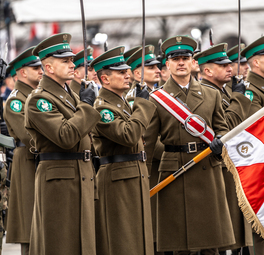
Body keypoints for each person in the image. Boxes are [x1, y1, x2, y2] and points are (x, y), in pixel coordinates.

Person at [144, 35, 235, 254]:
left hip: (206, 168)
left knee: (209, 241)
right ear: (167, 64)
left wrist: (219, 143)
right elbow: (148, 142)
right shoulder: (157, 98)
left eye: (185, 57)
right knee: (180, 243)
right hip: (174, 171)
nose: (181, 62)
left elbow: (222, 129)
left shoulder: (211, 94)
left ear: (193, 62)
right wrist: (144, 178)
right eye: (175, 59)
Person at [25, 33, 100, 255]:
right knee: (61, 243)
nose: (72, 64)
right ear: (48, 68)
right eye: (65, 61)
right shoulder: (40, 100)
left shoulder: (70, 94)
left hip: (81, 174)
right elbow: (65, 137)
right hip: (60, 180)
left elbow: (88, 134)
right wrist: (87, 105)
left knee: (82, 244)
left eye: (71, 60)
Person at [90, 46, 156, 254]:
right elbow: (128, 135)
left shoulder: (120, 104)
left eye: (127, 71)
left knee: (138, 238)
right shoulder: (102, 108)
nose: (128, 75)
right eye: (121, 72)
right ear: (105, 79)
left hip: (133, 175)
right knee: (122, 240)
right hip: (117, 179)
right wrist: (143, 104)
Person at [195, 43, 252, 254]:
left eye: (229, 64)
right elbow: (228, 128)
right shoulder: (208, 93)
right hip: (216, 166)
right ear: (207, 70)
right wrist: (239, 97)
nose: (230, 68)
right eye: (222, 65)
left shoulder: (221, 91)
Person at [240, 34, 264, 255]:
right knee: (260, 222)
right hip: (259, 164)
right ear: (256, 62)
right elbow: (260, 127)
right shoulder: (249, 90)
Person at [3, 47, 42, 255]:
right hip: (28, 161)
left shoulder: (35, 96)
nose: (41, 70)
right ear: (22, 72)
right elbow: (29, 138)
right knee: (29, 222)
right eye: (35, 67)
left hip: (39, 161)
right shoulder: (16, 101)